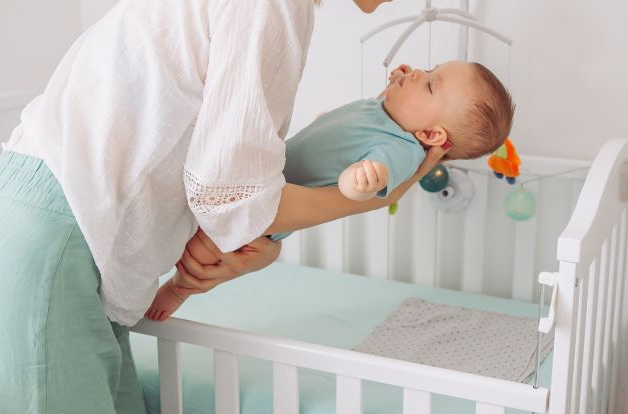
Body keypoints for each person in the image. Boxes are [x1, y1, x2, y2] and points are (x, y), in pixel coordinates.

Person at [0, 1, 444, 414]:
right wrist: (365, 202)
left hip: (65, 257)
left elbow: (230, 184)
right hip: (43, 259)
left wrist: (257, 233)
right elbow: (228, 192)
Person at [144, 59, 515, 321]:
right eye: (430, 68)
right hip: (259, 180)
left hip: (262, 220)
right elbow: (373, 119)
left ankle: (177, 290)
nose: (418, 72)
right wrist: (402, 84)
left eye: (430, 84)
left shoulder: (399, 150)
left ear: (431, 136)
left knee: (202, 250)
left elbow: (375, 181)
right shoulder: (384, 113)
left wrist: (361, 181)